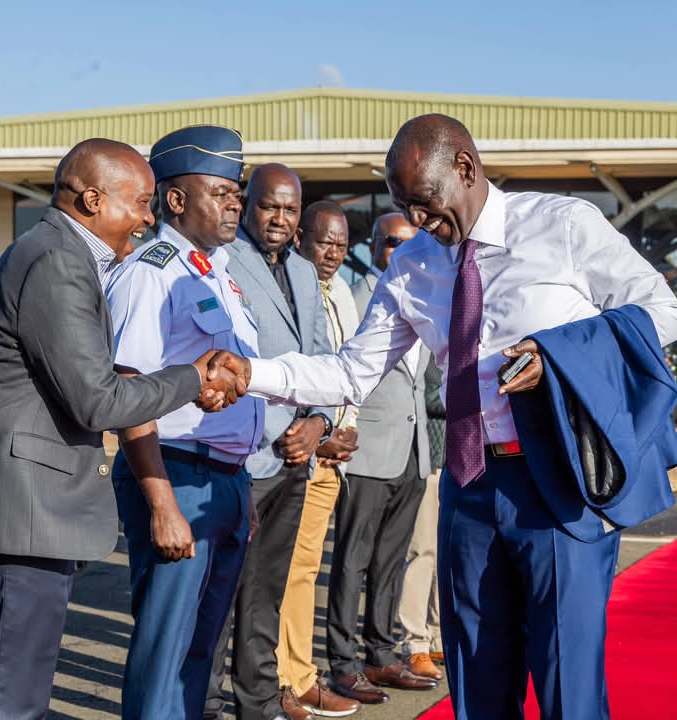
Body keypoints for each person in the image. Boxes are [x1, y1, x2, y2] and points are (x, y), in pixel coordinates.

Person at [208, 113, 677, 720]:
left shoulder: (562, 225)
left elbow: (661, 311)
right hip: (470, 487)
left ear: (464, 166)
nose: (419, 219)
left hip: (557, 483)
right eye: (405, 206)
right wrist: (252, 374)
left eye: (425, 201)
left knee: (568, 687)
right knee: (476, 681)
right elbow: (351, 372)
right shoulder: (412, 265)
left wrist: (560, 355)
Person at [0, 138, 240, 720]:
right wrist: (193, 376)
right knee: (13, 701)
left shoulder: (64, 256)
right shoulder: (56, 260)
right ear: (92, 200)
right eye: (138, 202)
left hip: (32, 512)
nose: (146, 217)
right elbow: (98, 399)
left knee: (17, 696)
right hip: (20, 513)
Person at [105, 125, 265, 720]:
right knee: (166, 648)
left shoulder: (217, 273)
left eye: (236, 193)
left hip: (224, 479)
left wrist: (239, 488)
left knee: (202, 650)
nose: (234, 204)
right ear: (175, 199)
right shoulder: (151, 272)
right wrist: (162, 503)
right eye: (220, 192)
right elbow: (129, 394)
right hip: (175, 473)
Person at [206, 164, 334, 720]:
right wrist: (280, 429)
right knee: (222, 593)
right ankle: (205, 702)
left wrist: (319, 422)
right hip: (243, 457)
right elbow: (220, 359)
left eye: (290, 209)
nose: (280, 218)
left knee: (267, 590)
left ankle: (257, 700)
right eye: (269, 206)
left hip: (296, 460)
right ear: (247, 205)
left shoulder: (305, 271)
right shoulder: (222, 261)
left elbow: (325, 359)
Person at [323, 213, 435, 705]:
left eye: (411, 243)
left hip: (412, 453)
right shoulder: (356, 298)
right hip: (367, 451)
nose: (402, 252)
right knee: (352, 562)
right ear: (373, 246)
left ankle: (382, 654)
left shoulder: (425, 299)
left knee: (391, 562)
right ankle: (343, 663)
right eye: (392, 242)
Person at [275, 200, 361, 718]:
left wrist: (342, 427)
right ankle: (283, 680)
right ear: (301, 237)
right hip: (298, 453)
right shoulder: (288, 286)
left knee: (307, 571)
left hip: (333, 457)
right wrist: (317, 434)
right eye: (325, 241)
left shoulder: (341, 293)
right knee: (285, 573)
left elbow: (347, 370)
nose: (333, 253)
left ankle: (301, 674)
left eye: (342, 245)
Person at [398, 352, 445, 680]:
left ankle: (440, 635)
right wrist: (476, 397)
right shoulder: (432, 336)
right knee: (422, 552)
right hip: (430, 457)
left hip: (465, 460)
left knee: (448, 554)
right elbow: (426, 395)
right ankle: (415, 642)